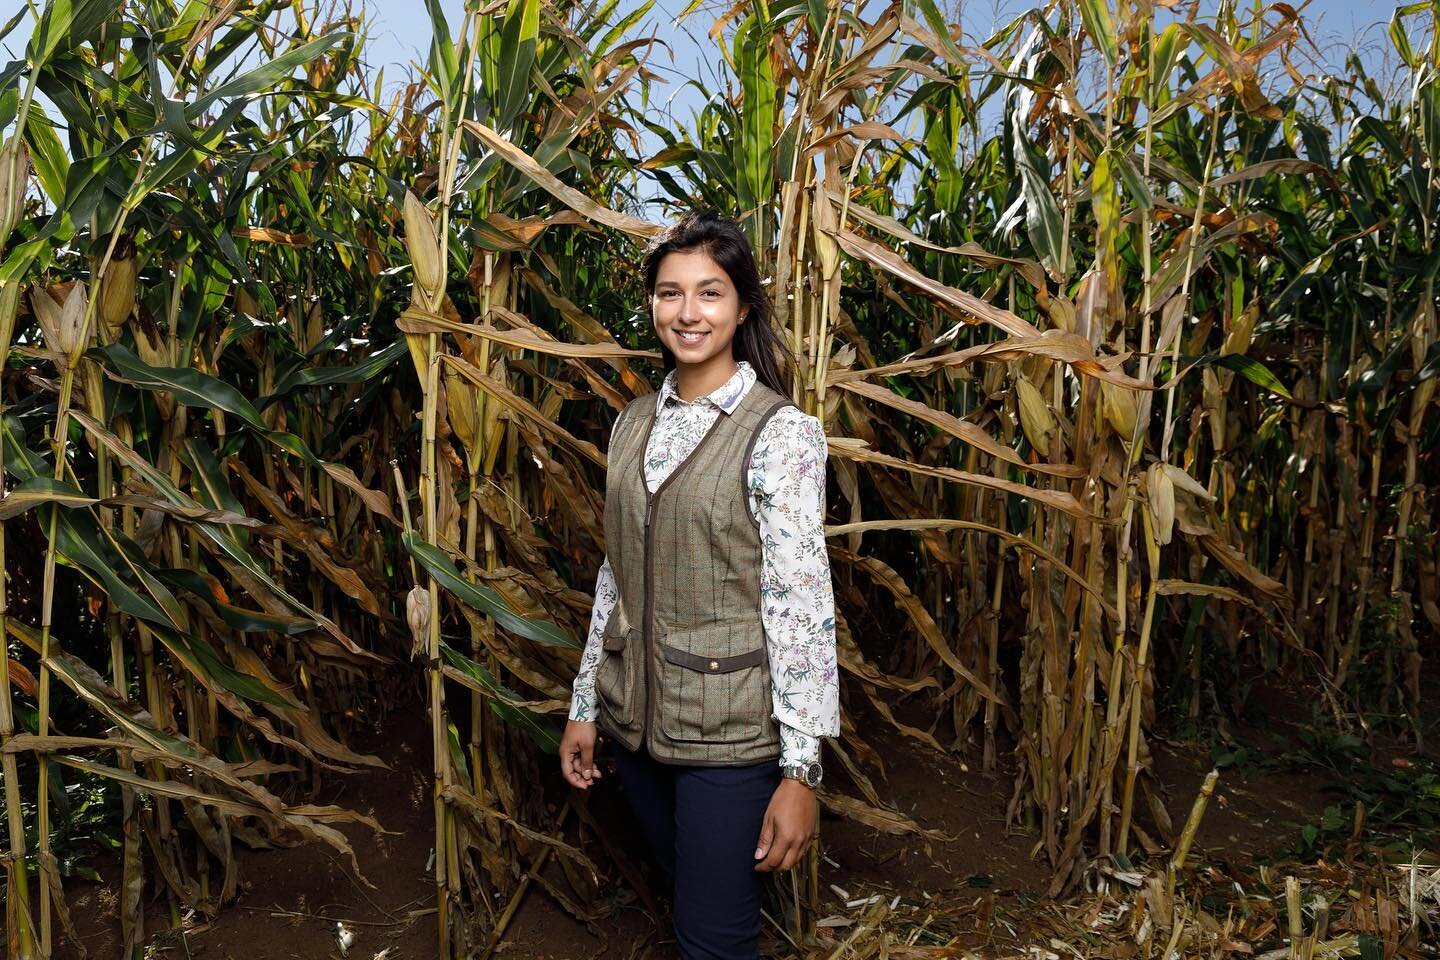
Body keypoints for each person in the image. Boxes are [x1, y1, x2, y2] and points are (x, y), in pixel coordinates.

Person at [559, 211, 840, 959]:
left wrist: (801, 772)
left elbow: (801, 604)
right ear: (651, 304)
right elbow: (615, 575)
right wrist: (587, 705)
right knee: (691, 894)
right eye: (669, 293)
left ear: (743, 306)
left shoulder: (779, 433)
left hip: (732, 739)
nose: (688, 313)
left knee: (712, 940)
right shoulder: (631, 422)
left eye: (710, 293)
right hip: (638, 727)